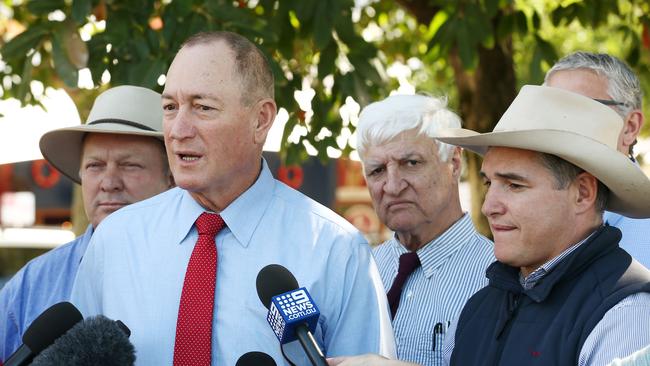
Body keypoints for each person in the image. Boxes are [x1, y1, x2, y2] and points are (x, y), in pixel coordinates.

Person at [71, 31, 395, 365]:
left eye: (203, 107)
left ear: (261, 120)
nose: (178, 129)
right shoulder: (115, 240)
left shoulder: (334, 249)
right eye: (170, 107)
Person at [435, 85, 650, 365]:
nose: (489, 207)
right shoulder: (480, 306)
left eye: (514, 185)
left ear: (583, 193)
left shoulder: (627, 313)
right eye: (490, 183)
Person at [0, 85, 174, 362]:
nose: (109, 183)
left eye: (130, 165)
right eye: (95, 166)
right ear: (80, 174)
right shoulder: (32, 283)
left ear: (172, 179)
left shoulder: (200, 271)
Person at [330, 95, 494, 366]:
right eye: (377, 170)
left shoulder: (500, 277)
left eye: (411, 163)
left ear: (454, 162)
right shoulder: (356, 271)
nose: (393, 186)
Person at [544, 51, 650, 267]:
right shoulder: (528, 214)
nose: (558, 123)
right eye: (548, 109)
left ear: (630, 127)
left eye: (577, 109)